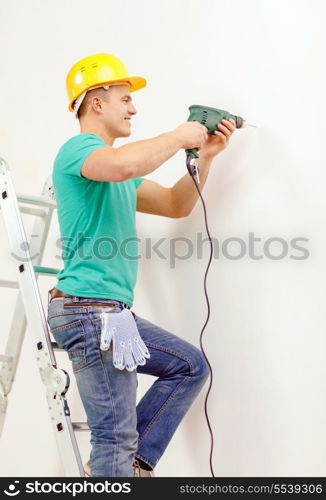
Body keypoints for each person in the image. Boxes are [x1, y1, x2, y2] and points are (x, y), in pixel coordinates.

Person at [47, 53, 236, 478]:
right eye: (125, 99)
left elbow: (175, 204)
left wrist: (204, 157)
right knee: (113, 437)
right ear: (97, 102)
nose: (133, 108)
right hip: (88, 311)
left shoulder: (118, 174)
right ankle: (118, 468)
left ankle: (130, 468)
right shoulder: (81, 151)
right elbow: (126, 163)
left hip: (109, 313)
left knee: (189, 367)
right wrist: (176, 135)